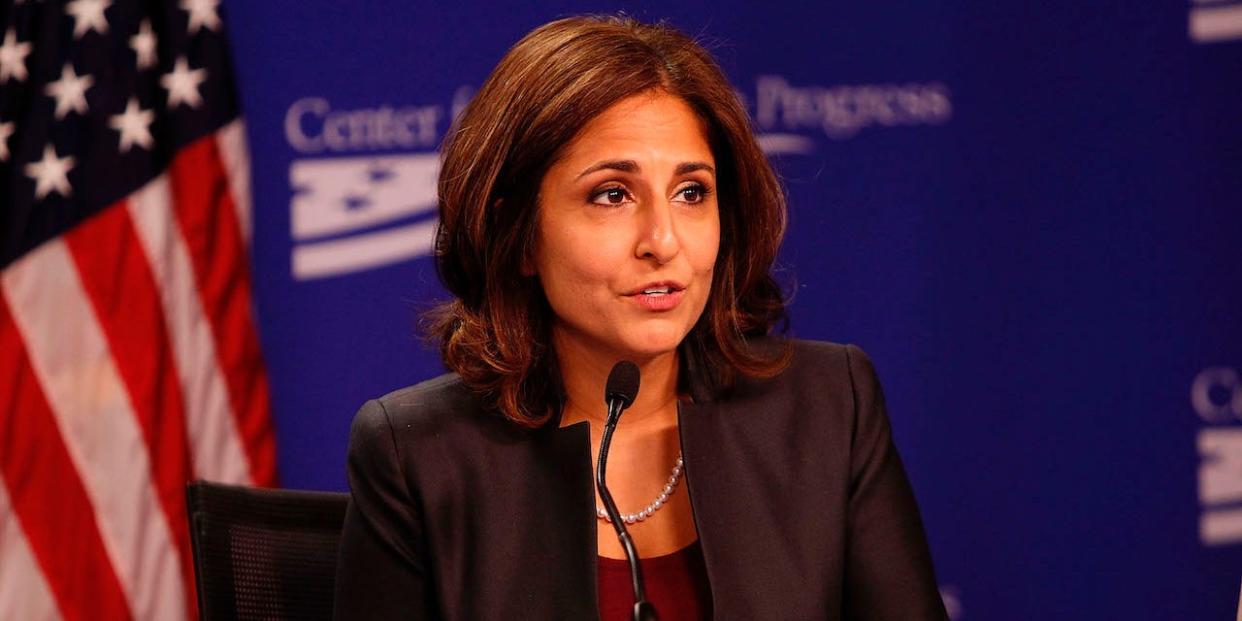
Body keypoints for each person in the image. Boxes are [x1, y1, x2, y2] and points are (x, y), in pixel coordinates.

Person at [333, 14, 947, 621]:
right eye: (612, 195)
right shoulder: (419, 454)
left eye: (691, 193)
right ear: (518, 236)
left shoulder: (828, 409)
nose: (663, 240)